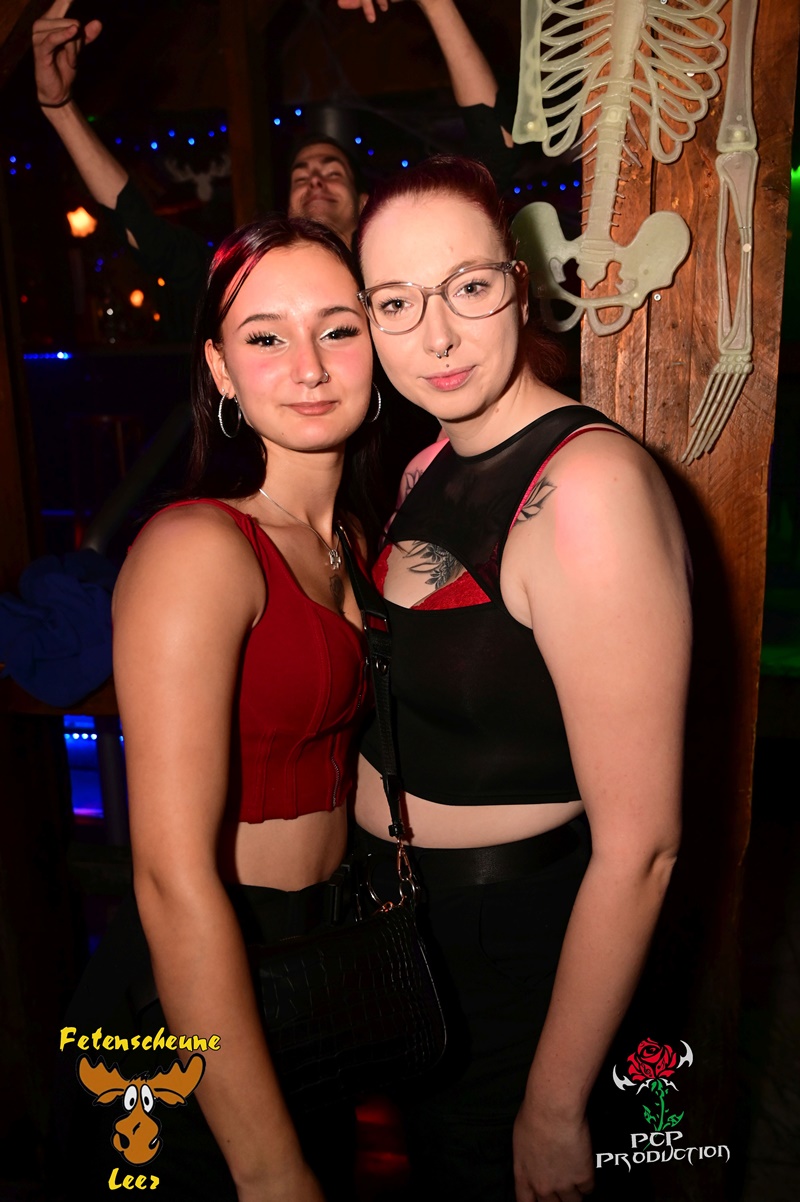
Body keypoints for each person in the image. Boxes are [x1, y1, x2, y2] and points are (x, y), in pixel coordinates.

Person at [352, 155, 692, 1202]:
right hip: (413, 944)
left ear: (519, 280)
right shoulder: (424, 466)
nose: (436, 337)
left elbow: (640, 848)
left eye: (467, 286)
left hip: (524, 961)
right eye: (395, 302)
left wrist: (553, 1105)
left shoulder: (589, 488)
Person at [49, 213, 378, 1201]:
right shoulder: (197, 548)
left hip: (318, 964)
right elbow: (167, 875)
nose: (309, 365)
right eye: (265, 336)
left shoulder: (357, 543)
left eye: (338, 327)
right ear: (220, 370)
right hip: (188, 998)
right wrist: (269, 1170)